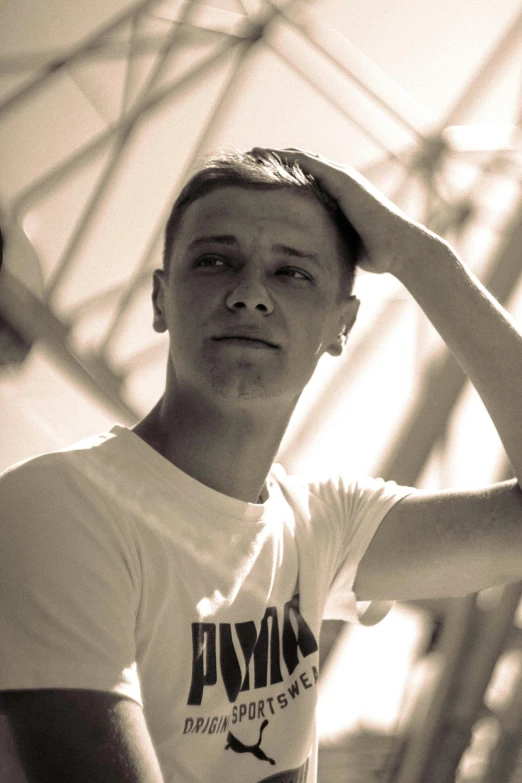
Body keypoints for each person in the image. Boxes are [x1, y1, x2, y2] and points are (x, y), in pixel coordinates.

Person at [0, 147, 521, 783]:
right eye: (216, 261)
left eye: (293, 274)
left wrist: (420, 257)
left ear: (341, 326)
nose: (249, 295)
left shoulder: (321, 527)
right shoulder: (55, 510)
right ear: (161, 299)